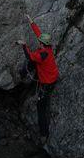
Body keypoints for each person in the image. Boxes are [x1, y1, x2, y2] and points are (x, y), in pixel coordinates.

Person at [17, 15, 59, 144]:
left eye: (40, 42)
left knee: (41, 108)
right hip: (52, 76)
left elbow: (29, 56)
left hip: (47, 83)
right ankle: (23, 74)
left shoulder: (42, 54)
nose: (39, 43)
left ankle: (44, 134)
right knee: (33, 64)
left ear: (42, 44)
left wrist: (24, 45)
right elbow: (39, 34)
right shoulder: (47, 49)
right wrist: (31, 22)